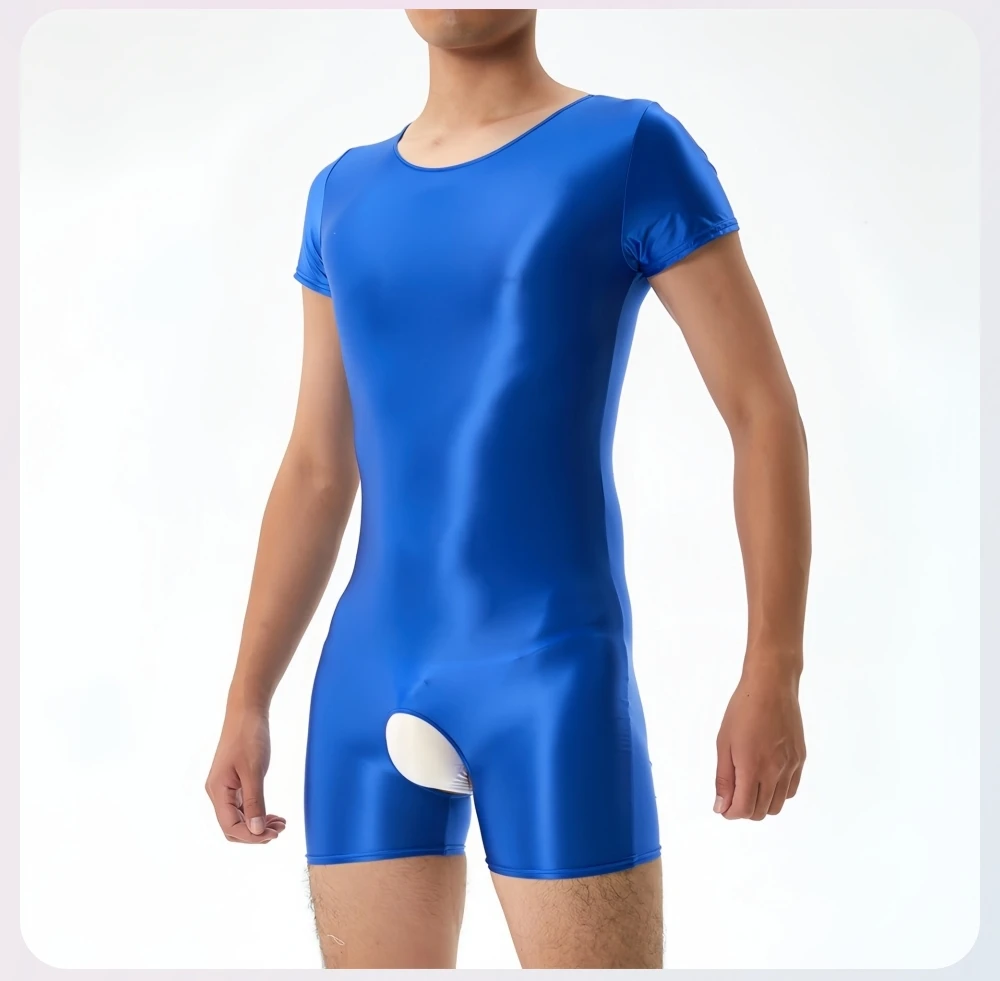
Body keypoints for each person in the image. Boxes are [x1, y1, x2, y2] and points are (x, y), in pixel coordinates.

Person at [205, 8, 810, 970]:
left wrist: (773, 667)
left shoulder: (628, 148)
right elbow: (319, 464)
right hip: (364, 679)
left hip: (548, 676)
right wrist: (247, 695)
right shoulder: (341, 193)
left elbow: (761, 411)